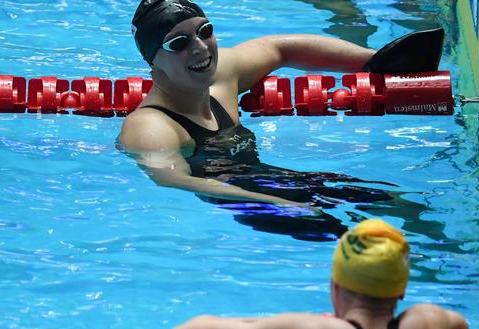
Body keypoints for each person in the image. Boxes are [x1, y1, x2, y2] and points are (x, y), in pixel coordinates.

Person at [119, 0, 448, 241]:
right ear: (153, 61)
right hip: (242, 201)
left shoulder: (221, 76)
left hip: (271, 180)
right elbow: (175, 180)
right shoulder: (151, 127)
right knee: (360, 244)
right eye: (179, 43)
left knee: (394, 203)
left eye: (205, 31)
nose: (201, 47)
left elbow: (280, 49)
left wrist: (374, 62)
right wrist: (271, 202)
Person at [166, 218, 469, 329]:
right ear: (400, 291)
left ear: (335, 285)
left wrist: (270, 326)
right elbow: (461, 327)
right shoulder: (429, 322)